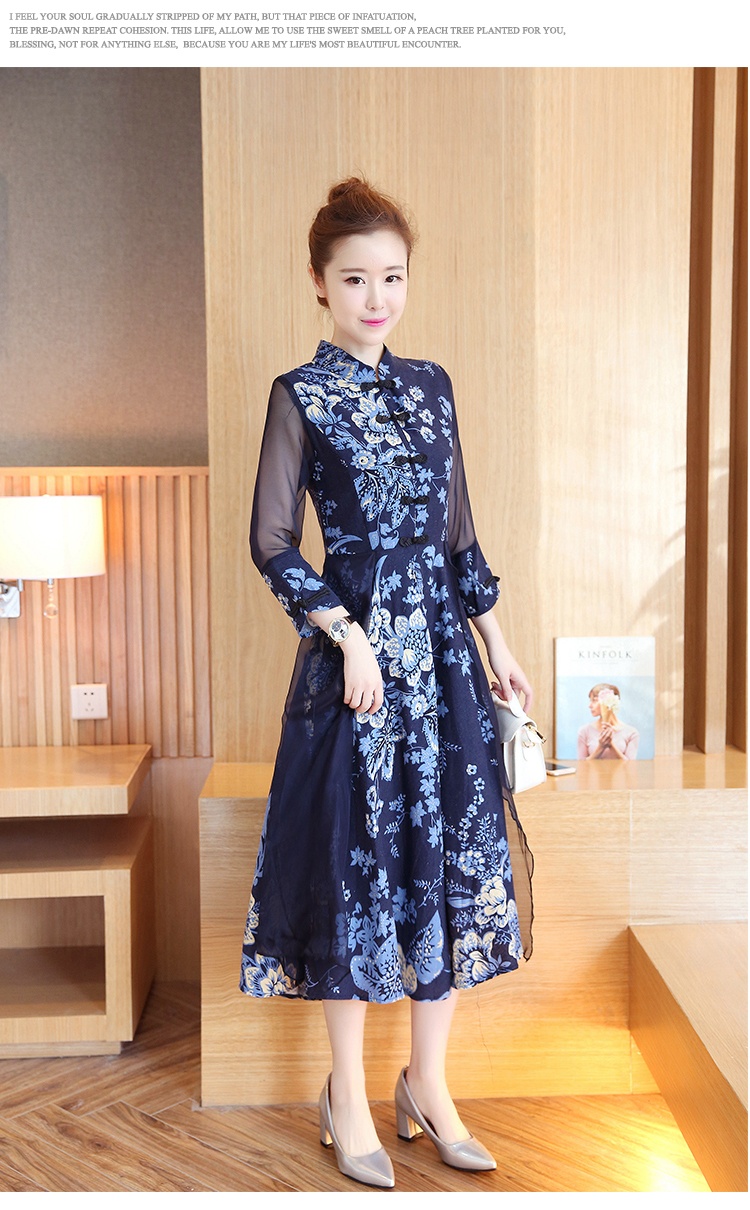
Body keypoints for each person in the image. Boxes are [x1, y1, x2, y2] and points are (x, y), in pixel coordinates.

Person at [240, 177, 534, 1189]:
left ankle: (429, 1086)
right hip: (355, 679)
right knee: (355, 878)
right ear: (319, 283)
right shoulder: (301, 396)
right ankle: (348, 1098)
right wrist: (346, 635)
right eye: (357, 278)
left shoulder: (433, 385)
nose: (377, 297)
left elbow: (458, 533)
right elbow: (272, 541)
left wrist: (497, 640)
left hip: (445, 671)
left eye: (393, 277)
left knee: (446, 870)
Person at [577, 683, 639, 760]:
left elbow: (630, 765)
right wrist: (601, 747)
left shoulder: (631, 733)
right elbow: (582, 764)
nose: (590, 705)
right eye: (590, 700)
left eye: (594, 700)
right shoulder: (584, 731)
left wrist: (611, 745)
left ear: (610, 702)